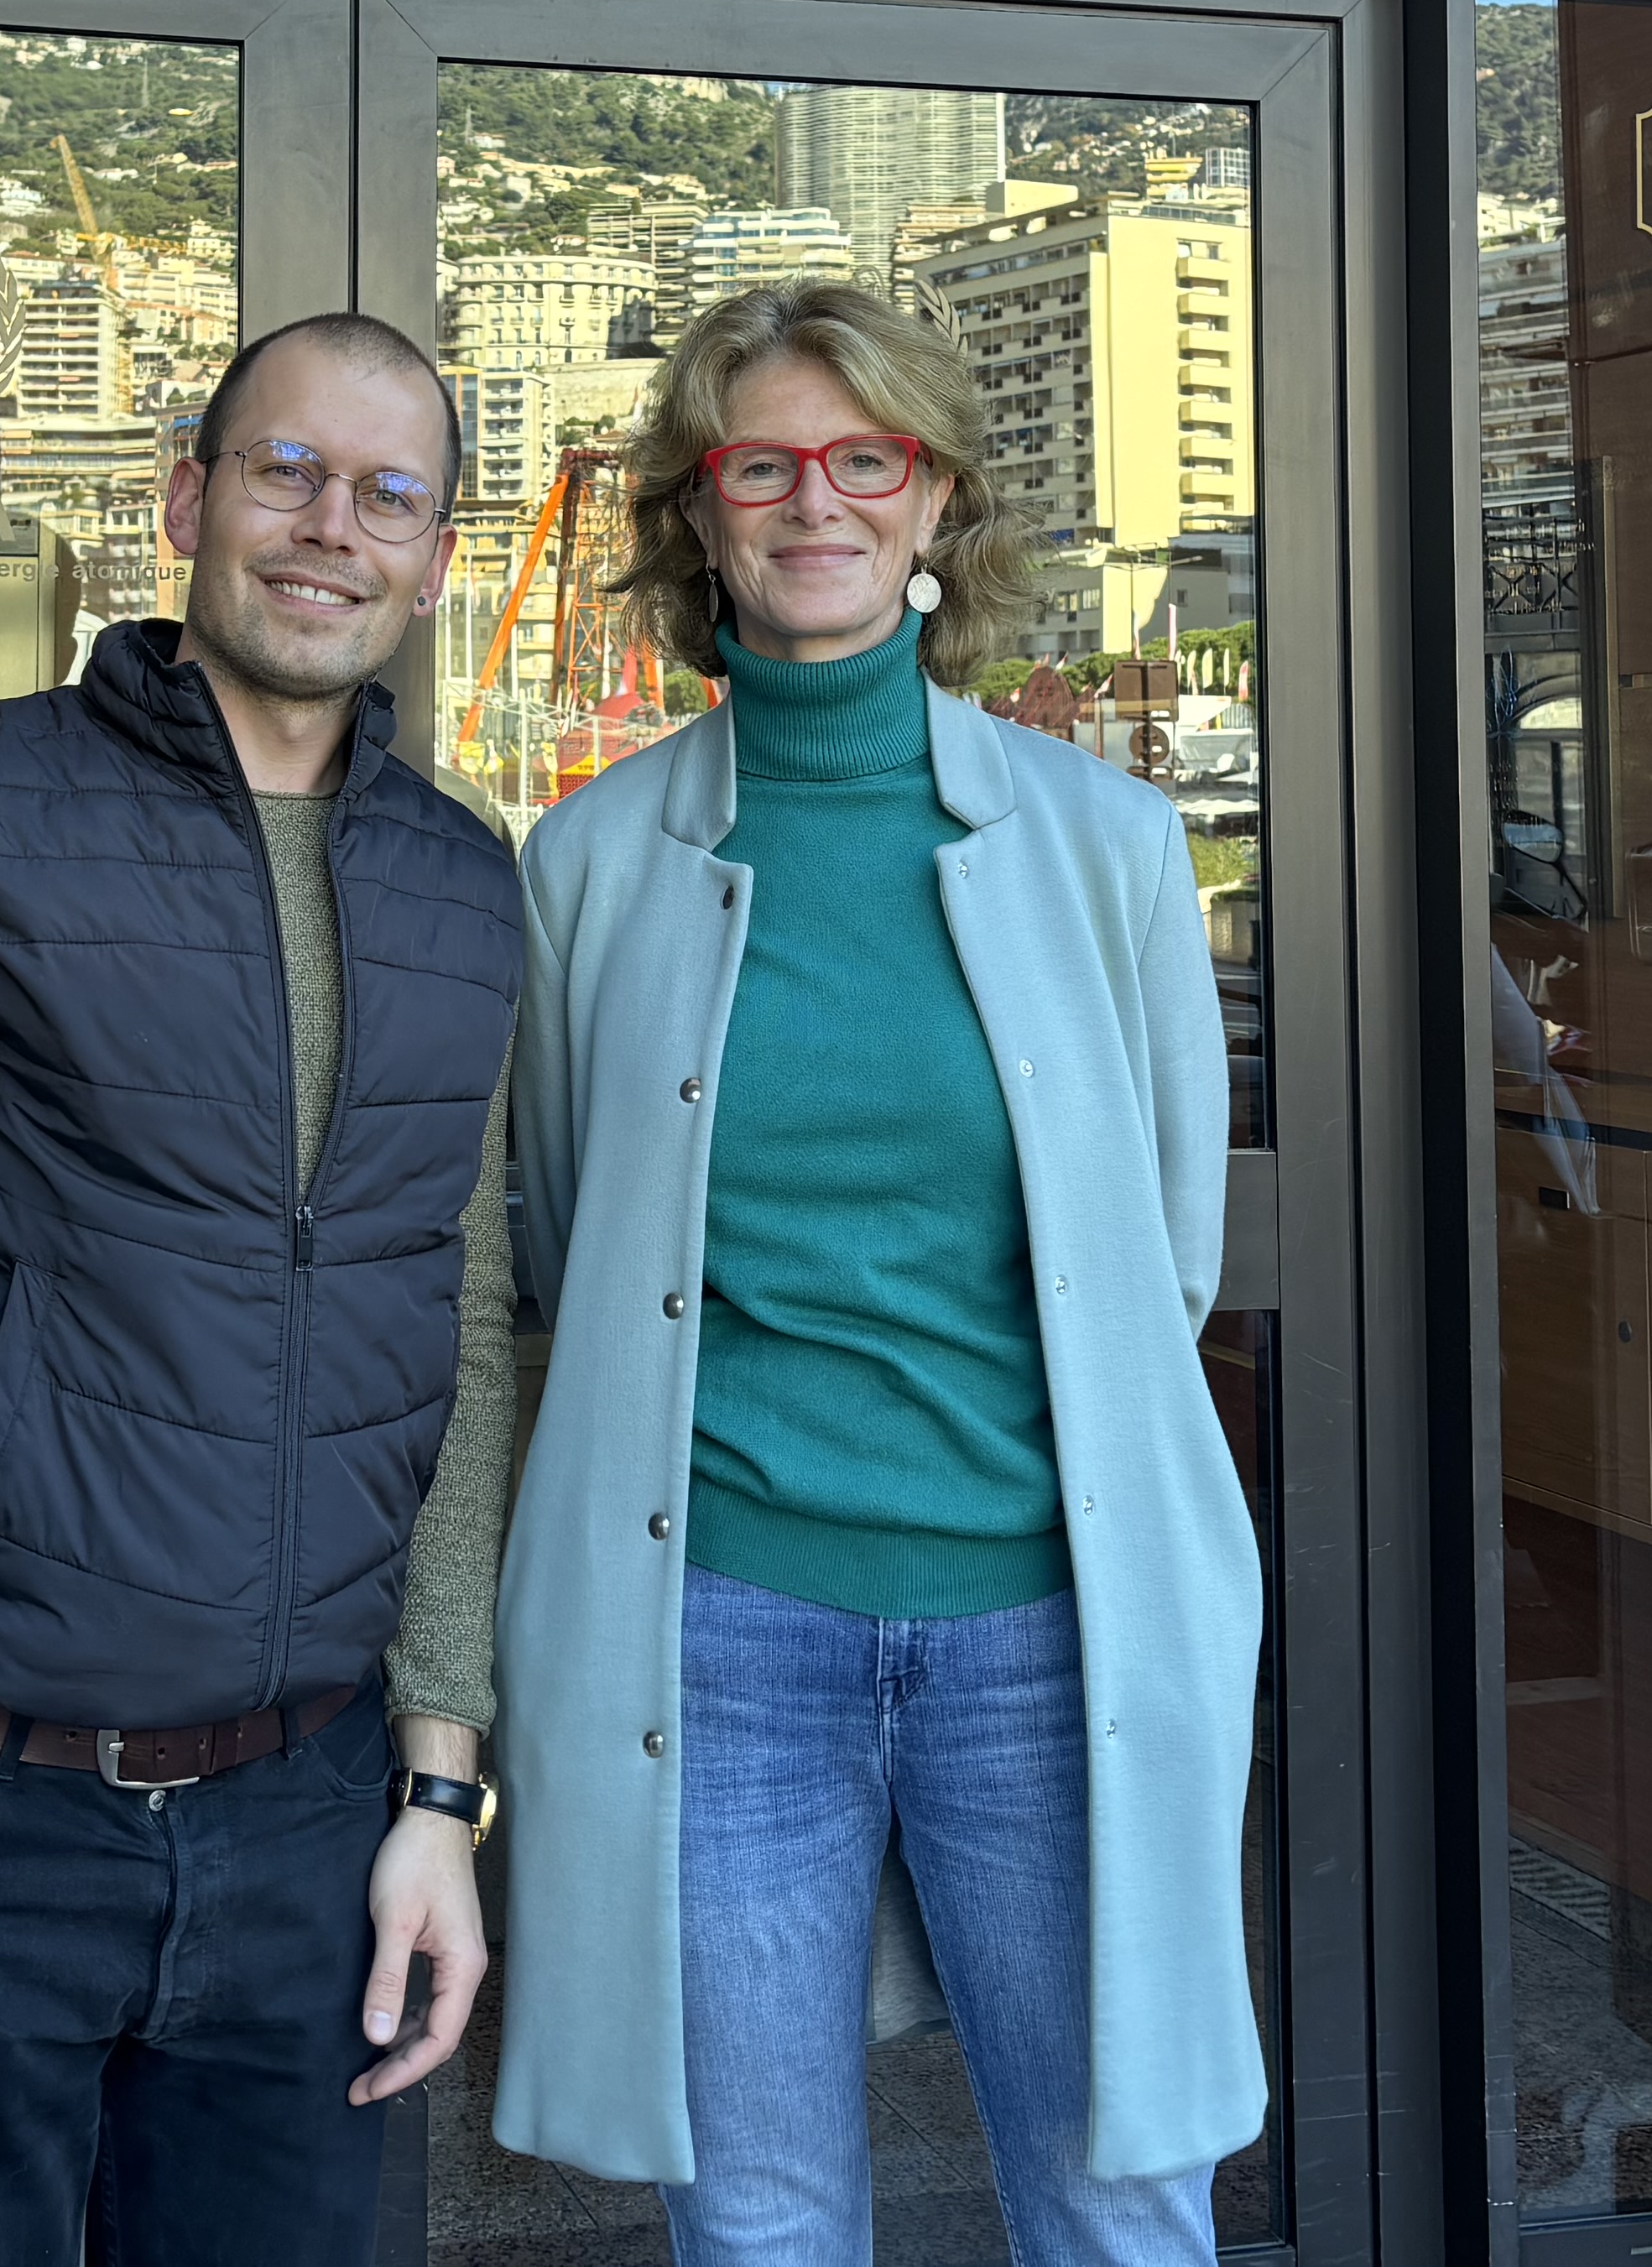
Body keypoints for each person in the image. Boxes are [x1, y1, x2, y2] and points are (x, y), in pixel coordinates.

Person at [0, 314, 524, 2264]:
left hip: (315, 1824)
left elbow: (458, 1334)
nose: (334, 528)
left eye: (390, 495)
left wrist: (440, 1786)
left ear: (436, 557)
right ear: (187, 501)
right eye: (287, 473)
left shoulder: (465, 880)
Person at [492, 277, 1266, 2263]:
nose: (814, 499)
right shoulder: (588, 868)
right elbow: (579, 1245)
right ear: (702, 513)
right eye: (763, 462)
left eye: (866, 459)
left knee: (1120, 2206)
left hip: (1046, 1630)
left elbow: (1161, 1257)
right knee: (755, 2224)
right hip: (726, 1638)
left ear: (937, 507)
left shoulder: (1103, 843)